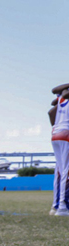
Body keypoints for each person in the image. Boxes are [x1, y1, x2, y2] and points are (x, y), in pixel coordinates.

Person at [50, 84, 69, 215]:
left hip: (56, 133)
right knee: (66, 172)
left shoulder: (61, 100)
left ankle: (56, 206)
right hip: (66, 134)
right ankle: (63, 206)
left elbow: (50, 111)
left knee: (60, 172)